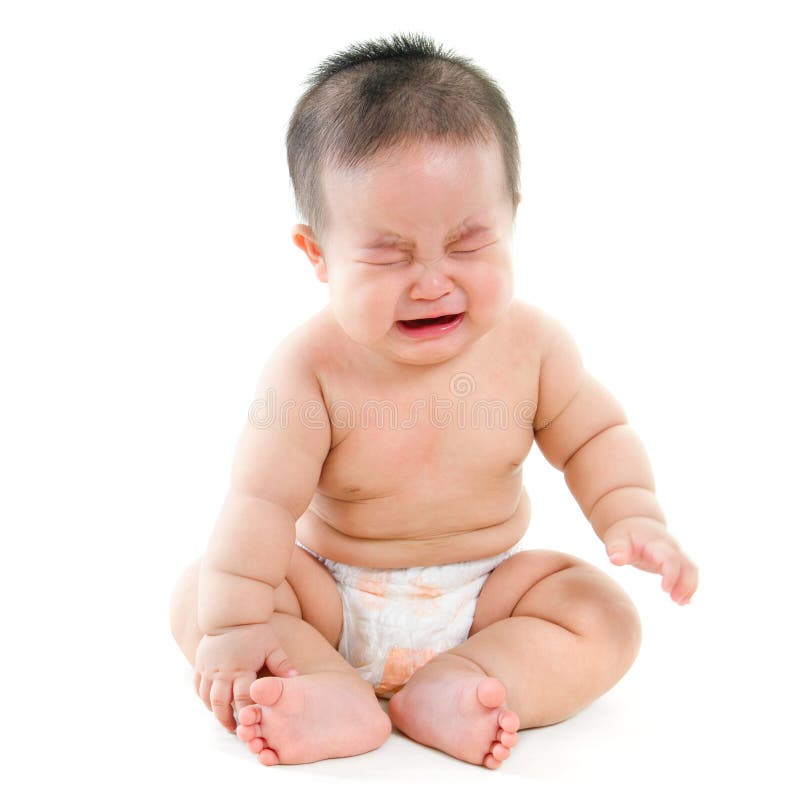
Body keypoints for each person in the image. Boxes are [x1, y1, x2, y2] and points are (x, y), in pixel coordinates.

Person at [169, 31, 699, 769]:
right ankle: (325, 689)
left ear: (511, 217)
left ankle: (468, 680)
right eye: (388, 256)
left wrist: (633, 513)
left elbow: (593, 436)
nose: (431, 281)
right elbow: (258, 506)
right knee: (203, 590)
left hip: (487, 597)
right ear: (317, 255)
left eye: (469, 243)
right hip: (332, 598)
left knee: (601, 614)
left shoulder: (534, 346)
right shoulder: (308, 368)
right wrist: (228, 628)